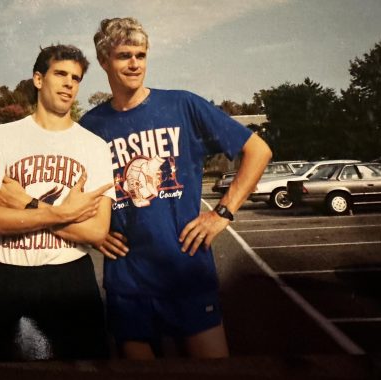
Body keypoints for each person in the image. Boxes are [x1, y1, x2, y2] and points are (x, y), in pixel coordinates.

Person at [79, 17, 272, 360]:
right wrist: (92, 233)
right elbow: (74, 193)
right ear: (103, 60)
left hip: (186, 271)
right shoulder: (90, 126)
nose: (135, 63)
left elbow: (258, 150)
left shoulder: (182, 105)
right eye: (124, 55)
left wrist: (222, 213)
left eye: (141, 54)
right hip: (128, 280)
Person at [0, 44, 115, 362]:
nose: (69, 84)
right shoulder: (2, 137)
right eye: (60, 73)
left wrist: (26, 204)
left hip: (70, 277)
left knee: (86, 368)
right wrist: (64, 213)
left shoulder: (94, 147)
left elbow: (97, 232)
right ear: (38, 78)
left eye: (76, 78)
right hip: (6, 276)